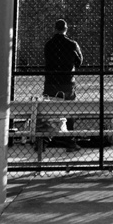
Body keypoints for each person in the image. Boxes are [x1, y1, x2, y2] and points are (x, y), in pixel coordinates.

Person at [43, 19, 83, 150]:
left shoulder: (49, 44)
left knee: (49, 111)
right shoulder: (72, 44)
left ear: (55, 28)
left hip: (51, 82)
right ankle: (70, 140)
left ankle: (46, 139)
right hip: (67, 82)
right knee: (69, 111)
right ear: (66, 29)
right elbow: (79, 62)